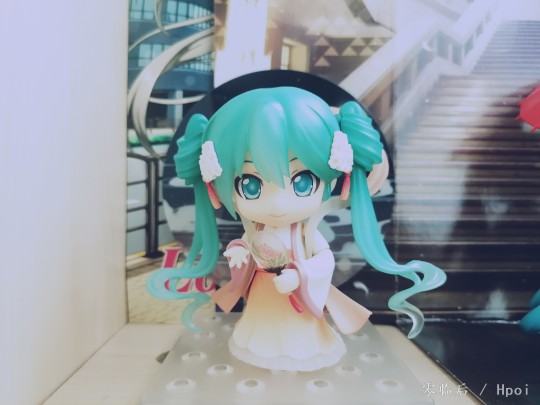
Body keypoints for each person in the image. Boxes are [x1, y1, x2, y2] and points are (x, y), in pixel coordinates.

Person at [147, 87, 446, 371]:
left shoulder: (306, 234)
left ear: (334, 177)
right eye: (250, 185)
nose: (278, 203)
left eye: (302, 182)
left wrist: (300, 275)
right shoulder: (256, 227)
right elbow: (248, 245)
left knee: (299, 334)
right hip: (263, 295)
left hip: (297, 297)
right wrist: (239, 251)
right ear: (217, 187)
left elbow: (324, 259)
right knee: (259, 330)